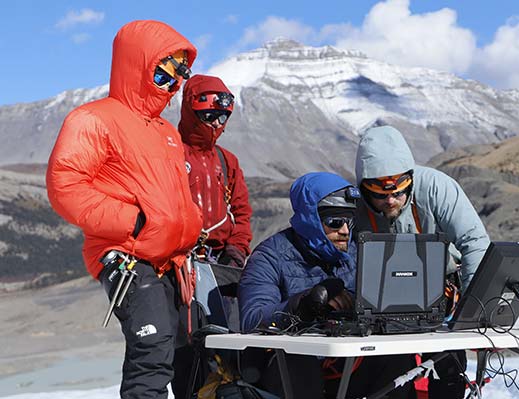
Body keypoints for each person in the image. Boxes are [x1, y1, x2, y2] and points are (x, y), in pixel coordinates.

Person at [46, 20, 202, 399]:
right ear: (139, 64)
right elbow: (65, 185)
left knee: (187, 353)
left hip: (173, 260)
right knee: (151, 353)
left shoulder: (166, 132)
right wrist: (134, 222)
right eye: (165, 73)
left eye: (180, 75)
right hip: (128, 255)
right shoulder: (93, 119)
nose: (174, 84)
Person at [238, 172, 416, 398]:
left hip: (344, 364)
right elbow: (251, 319)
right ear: (309, 220)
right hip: (284, 370)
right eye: (334, 222)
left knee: (397, 359)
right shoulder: (270, 256)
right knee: (298, 358)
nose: (345, 230)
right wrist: (302, 305)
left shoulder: (357, 252)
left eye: (350, 221)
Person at [354, 125, 491, 399]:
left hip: (444, 293)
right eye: (380, 195)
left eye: (398, 192)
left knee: (447, 366)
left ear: (410, 180)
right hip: (380, 298)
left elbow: (474, 241)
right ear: (365, 188)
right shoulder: (354, 205)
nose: (390, 200)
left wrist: (472, 310)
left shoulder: (437, 187)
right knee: (389, 371)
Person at [172, 75, 254, 399]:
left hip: (222, 267)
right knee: (186, 353)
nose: (217, 123)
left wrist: (237, 250)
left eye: (223, 117)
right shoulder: (169, 153)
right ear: (193, 112)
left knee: (227, 348)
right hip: (180, 269)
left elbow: (242, 211)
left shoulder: (226, 160)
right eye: (210, 115)